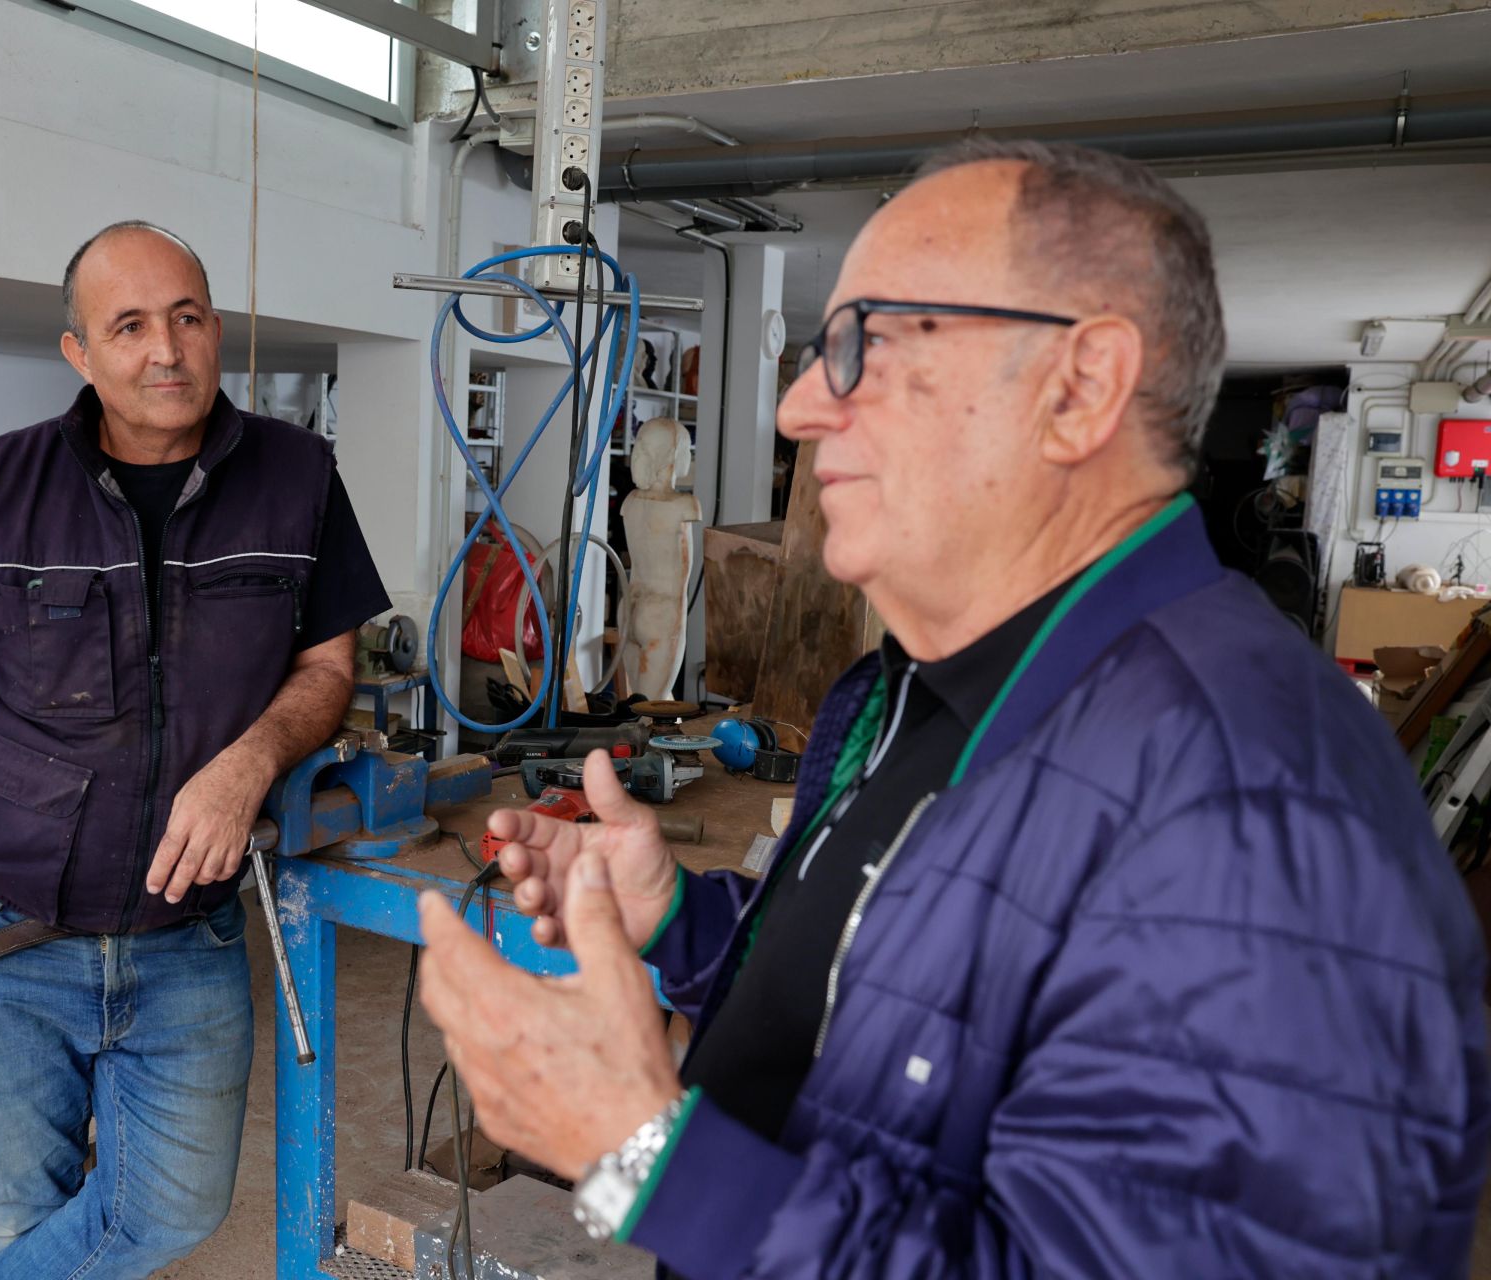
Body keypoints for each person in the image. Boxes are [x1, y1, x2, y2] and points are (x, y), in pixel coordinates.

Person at [417, 142, 1490, 1277]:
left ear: (1077, 390)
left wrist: (641, 1152)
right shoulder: (918, 693)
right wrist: (679, 914)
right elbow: (909, 991)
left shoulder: (1251, 797)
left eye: (859, 345)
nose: (794, 408)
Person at [0, 220, 389, 1277]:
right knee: (24, 1217)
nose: (167, 349)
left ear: (216, 327)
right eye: (131, 325)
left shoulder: (299, 480)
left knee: (173, 1208)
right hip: (5, 942)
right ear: (81, 353)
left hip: (183, 942)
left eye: (188, 317)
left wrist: (249, 761)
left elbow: (329, 668)